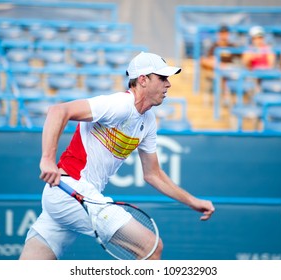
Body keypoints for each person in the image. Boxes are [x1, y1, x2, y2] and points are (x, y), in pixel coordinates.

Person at [19, 52, 215, 260]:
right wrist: (48, 159)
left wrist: (192, 201)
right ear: (143, 80)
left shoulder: (148, 121)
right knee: (151, 247)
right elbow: (58, 111)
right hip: (71, 190)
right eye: (162, 78)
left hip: (68, 196)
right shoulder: (120, 105)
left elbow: (153, 174)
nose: (168, 85)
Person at [200, 25, 238, 105]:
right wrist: (219, 64)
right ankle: (225, 97)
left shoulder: (232, 46)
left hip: (230, 71)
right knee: (205, 61)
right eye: (222, 33)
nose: (224, 35)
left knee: (224, 73)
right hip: (217, 70)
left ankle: (226, 97)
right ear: (219, 34)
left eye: (225, 33)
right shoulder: (214, 46)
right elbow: (207, 60)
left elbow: (240, 59)